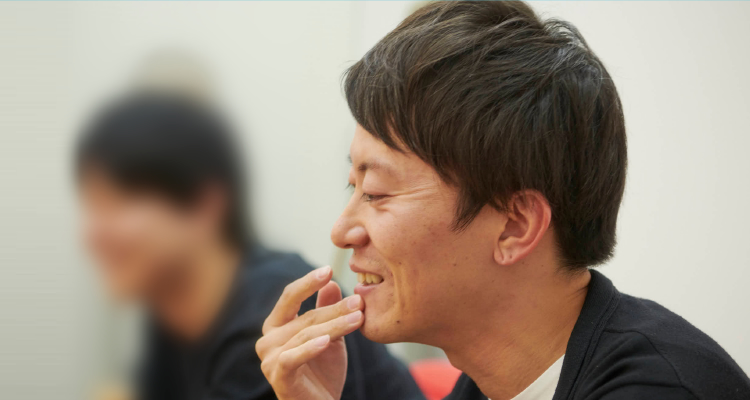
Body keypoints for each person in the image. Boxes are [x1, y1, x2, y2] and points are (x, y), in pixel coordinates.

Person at [255, 2, 750, 400]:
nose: (342, 231)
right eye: (353, 188)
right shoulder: (486, 387)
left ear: (515, 226)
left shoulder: (660, 388)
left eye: (376, 193)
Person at [75, 93, 425, 400]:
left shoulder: (269, 317)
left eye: (116, 205)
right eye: (91, 206)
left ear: (204, 205)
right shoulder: (169, 312)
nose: (93, 233)